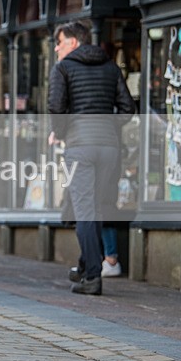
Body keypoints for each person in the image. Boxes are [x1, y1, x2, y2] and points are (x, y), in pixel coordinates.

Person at [48, 21, 135, 295]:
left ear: (74, 42)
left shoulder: (63, 68)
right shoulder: (110, 66)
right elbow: (128, 108)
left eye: (60, 41)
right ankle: (85, 266)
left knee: (85, 210)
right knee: (95, 208)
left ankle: (93, 278)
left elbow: (56, 106)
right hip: (109, 147)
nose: (56, 47)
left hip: (80, 147)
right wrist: (108, 127)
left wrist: (60, 133)